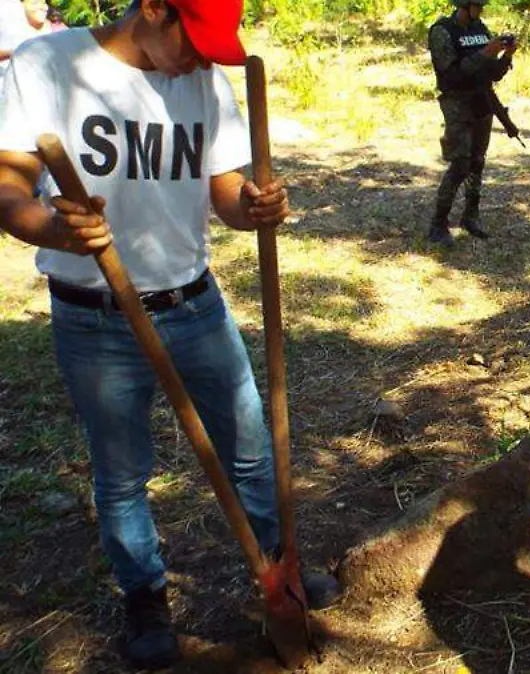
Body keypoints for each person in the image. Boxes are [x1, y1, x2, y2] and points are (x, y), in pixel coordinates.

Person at [0, 0, 336, 668]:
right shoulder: (48, 65)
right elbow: (7, 184)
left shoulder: (202, 78)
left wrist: (255, 205)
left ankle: (277, 567)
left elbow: (226, 192)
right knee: (122, 473)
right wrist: (53, 228)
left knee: (249, 446)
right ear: (153, 8)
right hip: (93, 313)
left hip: (193, 304)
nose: (201, 57)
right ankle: (145, 599)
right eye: (194, 39)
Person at [427, 0, 516, 244]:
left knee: (477, 161)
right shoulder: (442, 31)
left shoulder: (480, 29)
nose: (481, 10)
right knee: (460, 164)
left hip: (481, 100)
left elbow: (493, 73)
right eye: (477, 5)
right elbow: (451, 74)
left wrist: (505, 56)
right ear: (464, 5)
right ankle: (438, 224)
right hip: (457, 102)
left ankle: (471, 216)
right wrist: (485, 53)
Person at [0, 0, 50, 80]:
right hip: (7, 82)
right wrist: (17, 52)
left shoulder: (42, 20)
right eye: (35, 2)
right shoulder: (5, 8)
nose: (44, 7)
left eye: (44, 3)